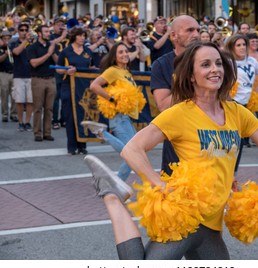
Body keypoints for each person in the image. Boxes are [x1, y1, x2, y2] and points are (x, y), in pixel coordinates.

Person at [84, 41, 258, 260]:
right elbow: (132, 149)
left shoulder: (237, 113)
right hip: (186, 215)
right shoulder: (180, 113)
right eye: (206, 64)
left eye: (218, 63)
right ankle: (113, 198)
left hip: (212, 223)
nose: (215, 69)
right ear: (191, 75)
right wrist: (159, 184)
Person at [150, 15, 200, 175]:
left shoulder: (211, 60)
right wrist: (191, 81)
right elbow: (164, 105)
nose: (196, 35)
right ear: (173, 36)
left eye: (198, 30)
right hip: (178, 143)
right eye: (190, 30)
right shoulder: (161, 64)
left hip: (210, 141)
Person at [83, 42, 138, 181]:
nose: (125, 54)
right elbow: (94, 85)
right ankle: (102, 133)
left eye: (126, 51)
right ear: (114, 57)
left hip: (127, 117)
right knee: (131, 154)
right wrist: (112, 99)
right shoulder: (113, 70)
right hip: (119, 116)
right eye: (120, 52)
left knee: (134, 155)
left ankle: (118, 187)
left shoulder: (126, 72)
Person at [225, 34, 258, 188]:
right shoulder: (228, 63)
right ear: (232, 47)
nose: (242, 47)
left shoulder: (252, 61)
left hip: (244, 106)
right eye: (238, 45)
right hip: (231, 105)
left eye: (243, 44)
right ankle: (227, 175)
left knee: (240, 143)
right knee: (231, 141)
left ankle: (233, 175)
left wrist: (255, 92)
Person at [56, 27, 95, 155]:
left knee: (83, 115)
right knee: (71, 116)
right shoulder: (66, 51)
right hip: (69, 86)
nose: (83, 38)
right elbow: (58, 68)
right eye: (80, 35)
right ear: (75, 37)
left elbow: (92, 67)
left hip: (84, 88)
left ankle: (82, 144)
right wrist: (67, 70)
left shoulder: (88, 51)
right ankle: (71, 146)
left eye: (84, 35)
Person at [27, 25, 56, 142]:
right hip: (38, 79)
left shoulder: (51, 46)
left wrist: (53, 52)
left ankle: (47, 132)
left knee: (49, 108)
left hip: (51, 79)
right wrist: (48, 54)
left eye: (49, 32)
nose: (49, 34)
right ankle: (37, 133)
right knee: (38, 108)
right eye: (46, 32)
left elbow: (58, 61)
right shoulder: (32, 47)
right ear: (39, 34)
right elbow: (33, 63)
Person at [10, 23, 33, 131]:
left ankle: (27, 122)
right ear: (18, 31)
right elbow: (17, 52)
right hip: (18, 74)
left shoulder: (32, 43)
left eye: (26, 30)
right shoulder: (14, 43)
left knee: (30, 100)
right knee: (19, 100)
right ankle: (20, 122)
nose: (24, 32)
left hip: (31, 74)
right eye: (22, 30)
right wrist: (25, 41)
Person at [0, 30, 17, 123]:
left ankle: (14, 114)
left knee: (14, 95)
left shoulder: (14, 48)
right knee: (4, 94)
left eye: (8, 38)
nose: (7, 40)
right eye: (5, 38)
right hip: (3, 73)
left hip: (14, 72)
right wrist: (5, 54)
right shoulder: (1, 48)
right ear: (1, 39)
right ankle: (5, 114)